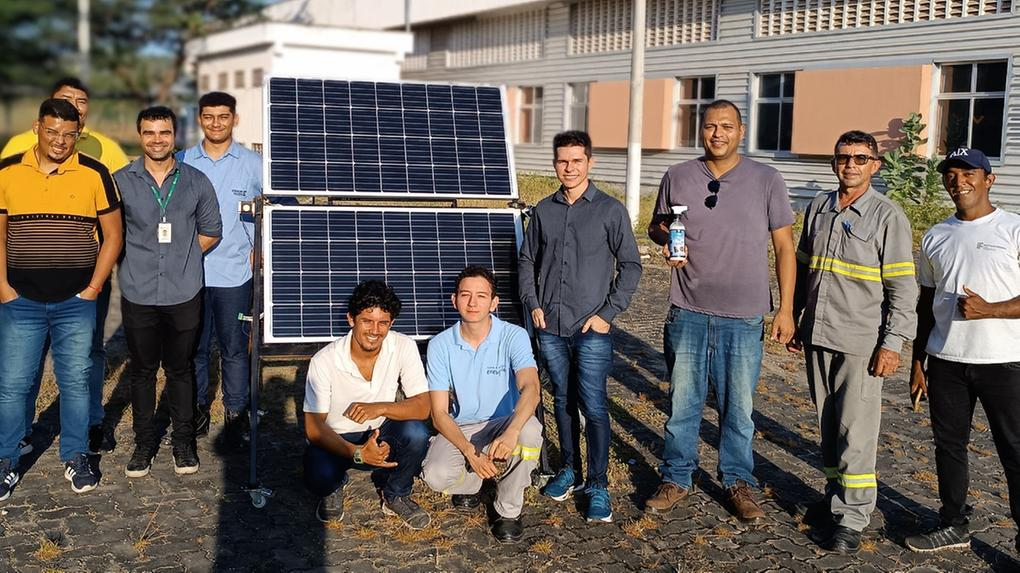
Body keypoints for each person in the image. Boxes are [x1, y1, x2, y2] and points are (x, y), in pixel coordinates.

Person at [645, 99, 796, 521]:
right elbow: (657, 225)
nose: (718, 134)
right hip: (687, 309)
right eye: (711, 126)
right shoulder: (677, 176)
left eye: (727, 126)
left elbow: (785, 247)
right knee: (682, 403)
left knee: (738, 409)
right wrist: (666, 239)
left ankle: (737, 481)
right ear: (702, 130)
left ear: (741, 131)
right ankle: (676, 477)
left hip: (744, 315)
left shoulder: (767, 179)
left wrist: (785, 309)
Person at [789, 131, 918, 552]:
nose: (850, 165)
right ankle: (835, 499)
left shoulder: (887, 216)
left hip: (861, 341)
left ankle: (853, 517)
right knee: (828, 426)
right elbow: (804, 269)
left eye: (860, 158)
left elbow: (903, 288)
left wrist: (893, 343)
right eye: (843, 157)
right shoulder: (819, 207)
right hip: (819, 334)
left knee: (856, 432)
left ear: (875, 165)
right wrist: (794, 316)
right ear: (833, 163)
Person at [0, 98, 122, 499]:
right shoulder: (7, 172)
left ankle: (76, 455)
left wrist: (93, 289)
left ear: (78, 134)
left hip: (76, 302)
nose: (59, 141)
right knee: (13, 385)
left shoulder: (95, 173)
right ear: (37, 127)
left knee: (77, 382)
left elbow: (113, 236)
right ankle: (6, 458)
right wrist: (4, 289)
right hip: (20, 301)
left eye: (69, 134)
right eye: (52, 131)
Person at [517, 130, 642, 523]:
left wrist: (607, 313)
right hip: (551, 326)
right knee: (562, 401)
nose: (569, 168)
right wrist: (532, 302)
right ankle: (569, 469)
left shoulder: (610, 210)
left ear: (590, 162)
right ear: (555, 164)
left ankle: (598, 484)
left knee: (594, 404)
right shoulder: (544, 210)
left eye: (576, 161)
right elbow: (527, 260)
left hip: (591, 329)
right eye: (562, 161)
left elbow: (631, 266)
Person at [904, 147, 1020, 554]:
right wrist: (918, 360)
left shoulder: (1013, 228)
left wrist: (993, 309)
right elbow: (926, 304)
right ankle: (953, 523)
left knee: (1015, 451)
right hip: (947, 362)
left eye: (968, 172)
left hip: (1004, 362)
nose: (959, 181)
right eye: (950, 174)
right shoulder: (936, 236)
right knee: (948, 447)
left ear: (989, 179)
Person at [114, 106, 221, 478]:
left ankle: (183, 442)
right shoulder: (121, 181)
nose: (157, 140)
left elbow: (211, 230)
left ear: (175, 135)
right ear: (140, 136)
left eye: (164, 132)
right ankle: (144, 443)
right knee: (142, 371)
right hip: (138, 292)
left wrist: (181, 257)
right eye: (149, 132)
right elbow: (112, 233)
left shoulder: (196, 181)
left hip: (183, 291)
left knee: (180, 369)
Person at [423, 266, 543, 543]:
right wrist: (469, 452)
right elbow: (439, 413)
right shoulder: (440, 345)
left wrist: (511, 432)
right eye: (465, 295)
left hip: (505, 421)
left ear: (494, 302)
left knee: (530, 432)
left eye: (481, 296)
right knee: (435, 475)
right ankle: (474, 481)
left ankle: (508, 509)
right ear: (454, 300)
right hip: (463, 426)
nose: (473, 303)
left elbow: (531, 388)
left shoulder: (513, 335)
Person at [303, 280, 432, 530]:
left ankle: (396, 494)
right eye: (367, 321)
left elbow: (423, 406)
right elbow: (313, 427)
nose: (375, 330)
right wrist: (358, 453)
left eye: (383, 323)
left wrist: (380, 408)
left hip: (381, 430)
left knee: (417, 433)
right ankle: (334, 486)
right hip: (337, 436)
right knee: (318, 474)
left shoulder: (403, 346)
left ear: (391, 323)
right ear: (351, 319)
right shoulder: (324, 360)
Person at [181, 91, 262, 445]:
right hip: (190, 275)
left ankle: (236, 414)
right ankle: (197, 411)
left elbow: (279, 207)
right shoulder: (183, 160)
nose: (216, 123)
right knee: (194, 349)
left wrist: (261, 249)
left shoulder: (253, 163)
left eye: (223, 116)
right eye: (209, 116)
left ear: (235, 119)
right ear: (200, 119)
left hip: (235, 275)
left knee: (234, 349)